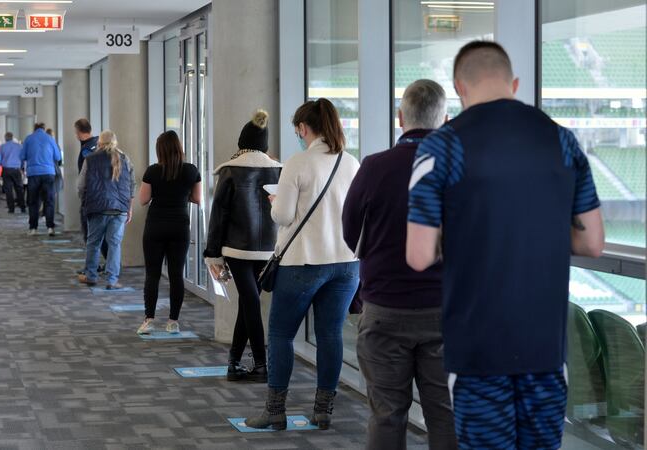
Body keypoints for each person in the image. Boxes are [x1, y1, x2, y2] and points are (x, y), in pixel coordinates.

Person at [406, 41, 604, 449]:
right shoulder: (563, 141)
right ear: (514, 83)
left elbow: (419, 254)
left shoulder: (441, 146)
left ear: (460, 87)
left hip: (478, 349)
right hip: (545, 348)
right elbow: (592, 241)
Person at [343, 80, 456, 450]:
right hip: (446, 312)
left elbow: (350, 232)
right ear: (446, 119)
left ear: (400, 117)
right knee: (446, 414)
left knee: (387, 414)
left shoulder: (374, 167)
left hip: (385, 310)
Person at [245, 98, 360, 431]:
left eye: (297, 128)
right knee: (330, 335)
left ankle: (275, 411)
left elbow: (282, 216)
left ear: (303, 128)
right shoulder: (351, 163)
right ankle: (324, 411)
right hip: (346, 264)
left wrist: (275, 202)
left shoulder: (298, 162)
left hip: (304, 263)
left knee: (281, 334)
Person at [203, 110, 281, 383]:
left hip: (236, 249)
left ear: (241, 142)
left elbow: (219, 215)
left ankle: (258, 363)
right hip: (270, 250)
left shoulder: (230, 170)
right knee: (250, 302)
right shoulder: (279, 169)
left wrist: (212, 254)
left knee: (249, 303)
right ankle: (236, 363)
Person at [137, 130, 201, 335]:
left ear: (160, 150)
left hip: (155, 226)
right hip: (179, 227)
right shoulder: (191, 171)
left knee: (152, 274)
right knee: (176, 275)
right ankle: (173, 321)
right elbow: (198, 198)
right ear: (179, 148)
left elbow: (143, 200)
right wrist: (181, 196)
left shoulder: (152, 171)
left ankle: (149, 319)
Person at [77, 130, 136, 289]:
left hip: (97, 207)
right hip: (119, 209)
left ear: (100, 142)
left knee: (93, 243)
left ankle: (91, 275)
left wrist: (84, 201)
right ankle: (112, 279)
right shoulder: (125, 159)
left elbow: (81, 186)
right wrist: (129, 208)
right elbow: (132, 185)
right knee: (115, 244)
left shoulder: (90, 159)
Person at [20, 122, 62, 236]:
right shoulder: (50, 138)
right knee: (49, 200)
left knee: (33, 201)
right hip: (48, 173)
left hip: (33, 174)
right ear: (43, 129)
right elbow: (58, 157)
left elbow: (22, 156)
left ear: (34, 129)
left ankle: (33, 228)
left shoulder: (28, 139)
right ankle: (50, 227)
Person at [75, 118, 99, 243]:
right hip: (103, 195)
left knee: (90, 234)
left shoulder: (87, 150)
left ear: (79, 131)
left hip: (90, 194)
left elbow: (85, 174)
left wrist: (82, 192)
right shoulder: (97, 143)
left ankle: (94, 262)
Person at [0, 132, 26, 214]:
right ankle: (23, 207)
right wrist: (22, 168)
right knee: (19, 189)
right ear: (12, 138)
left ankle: (11, 209)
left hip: (6, 170)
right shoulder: (19, 146)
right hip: (16, 170)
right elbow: (22, 158)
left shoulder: (2, 147)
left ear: (5, 138)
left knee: (8, 190)